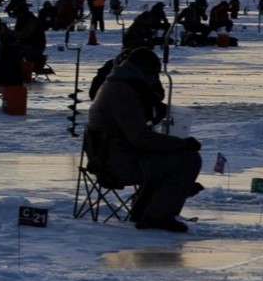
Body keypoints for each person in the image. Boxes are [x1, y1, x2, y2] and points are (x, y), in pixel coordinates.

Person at [86, 47, 203, 232]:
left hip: (111, 157)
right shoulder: (124, 93)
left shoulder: (117, 84)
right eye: (154, 75)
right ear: (145, 72)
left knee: (171, 155)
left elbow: (133, 132)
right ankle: (157, 215)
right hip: (118, 165)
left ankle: (146, 209)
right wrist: (182, 143)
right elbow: (141, 138)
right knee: (189, 159)